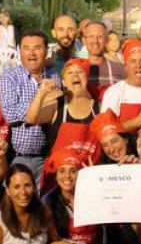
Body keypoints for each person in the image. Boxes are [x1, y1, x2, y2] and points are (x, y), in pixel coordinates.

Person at [0, 30, 59, 177]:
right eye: (26, 48)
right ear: (20, 51)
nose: (32, 53)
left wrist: (35, 110)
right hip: (19, 158)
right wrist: (43, 100)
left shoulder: (55, 77)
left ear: (46, 51)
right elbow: (11, 115)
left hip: (49, 157)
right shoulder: (9, 77)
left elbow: (57, 112)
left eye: (37, 48)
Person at [39, 59, 98, 188]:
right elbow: (31, 118)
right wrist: (42, 93)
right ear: (64, 82)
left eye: (80, 72)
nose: (75, 75)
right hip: (58, 181)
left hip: (90, 179)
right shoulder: (58, 105)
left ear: (87, 78)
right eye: (70, 73)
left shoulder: (99, 107)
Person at [100, 39, 141, 135]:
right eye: (133, 61)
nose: (138, 65)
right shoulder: (114, 92)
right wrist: (138, 121)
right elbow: (106, 130)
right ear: (125, 66)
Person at [82, 22, 123, 100]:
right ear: (84, 40)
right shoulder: (77, 70)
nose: (95, 41)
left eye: (100, 37)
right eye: (91, 36)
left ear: (106, 40)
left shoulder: (121, 69)